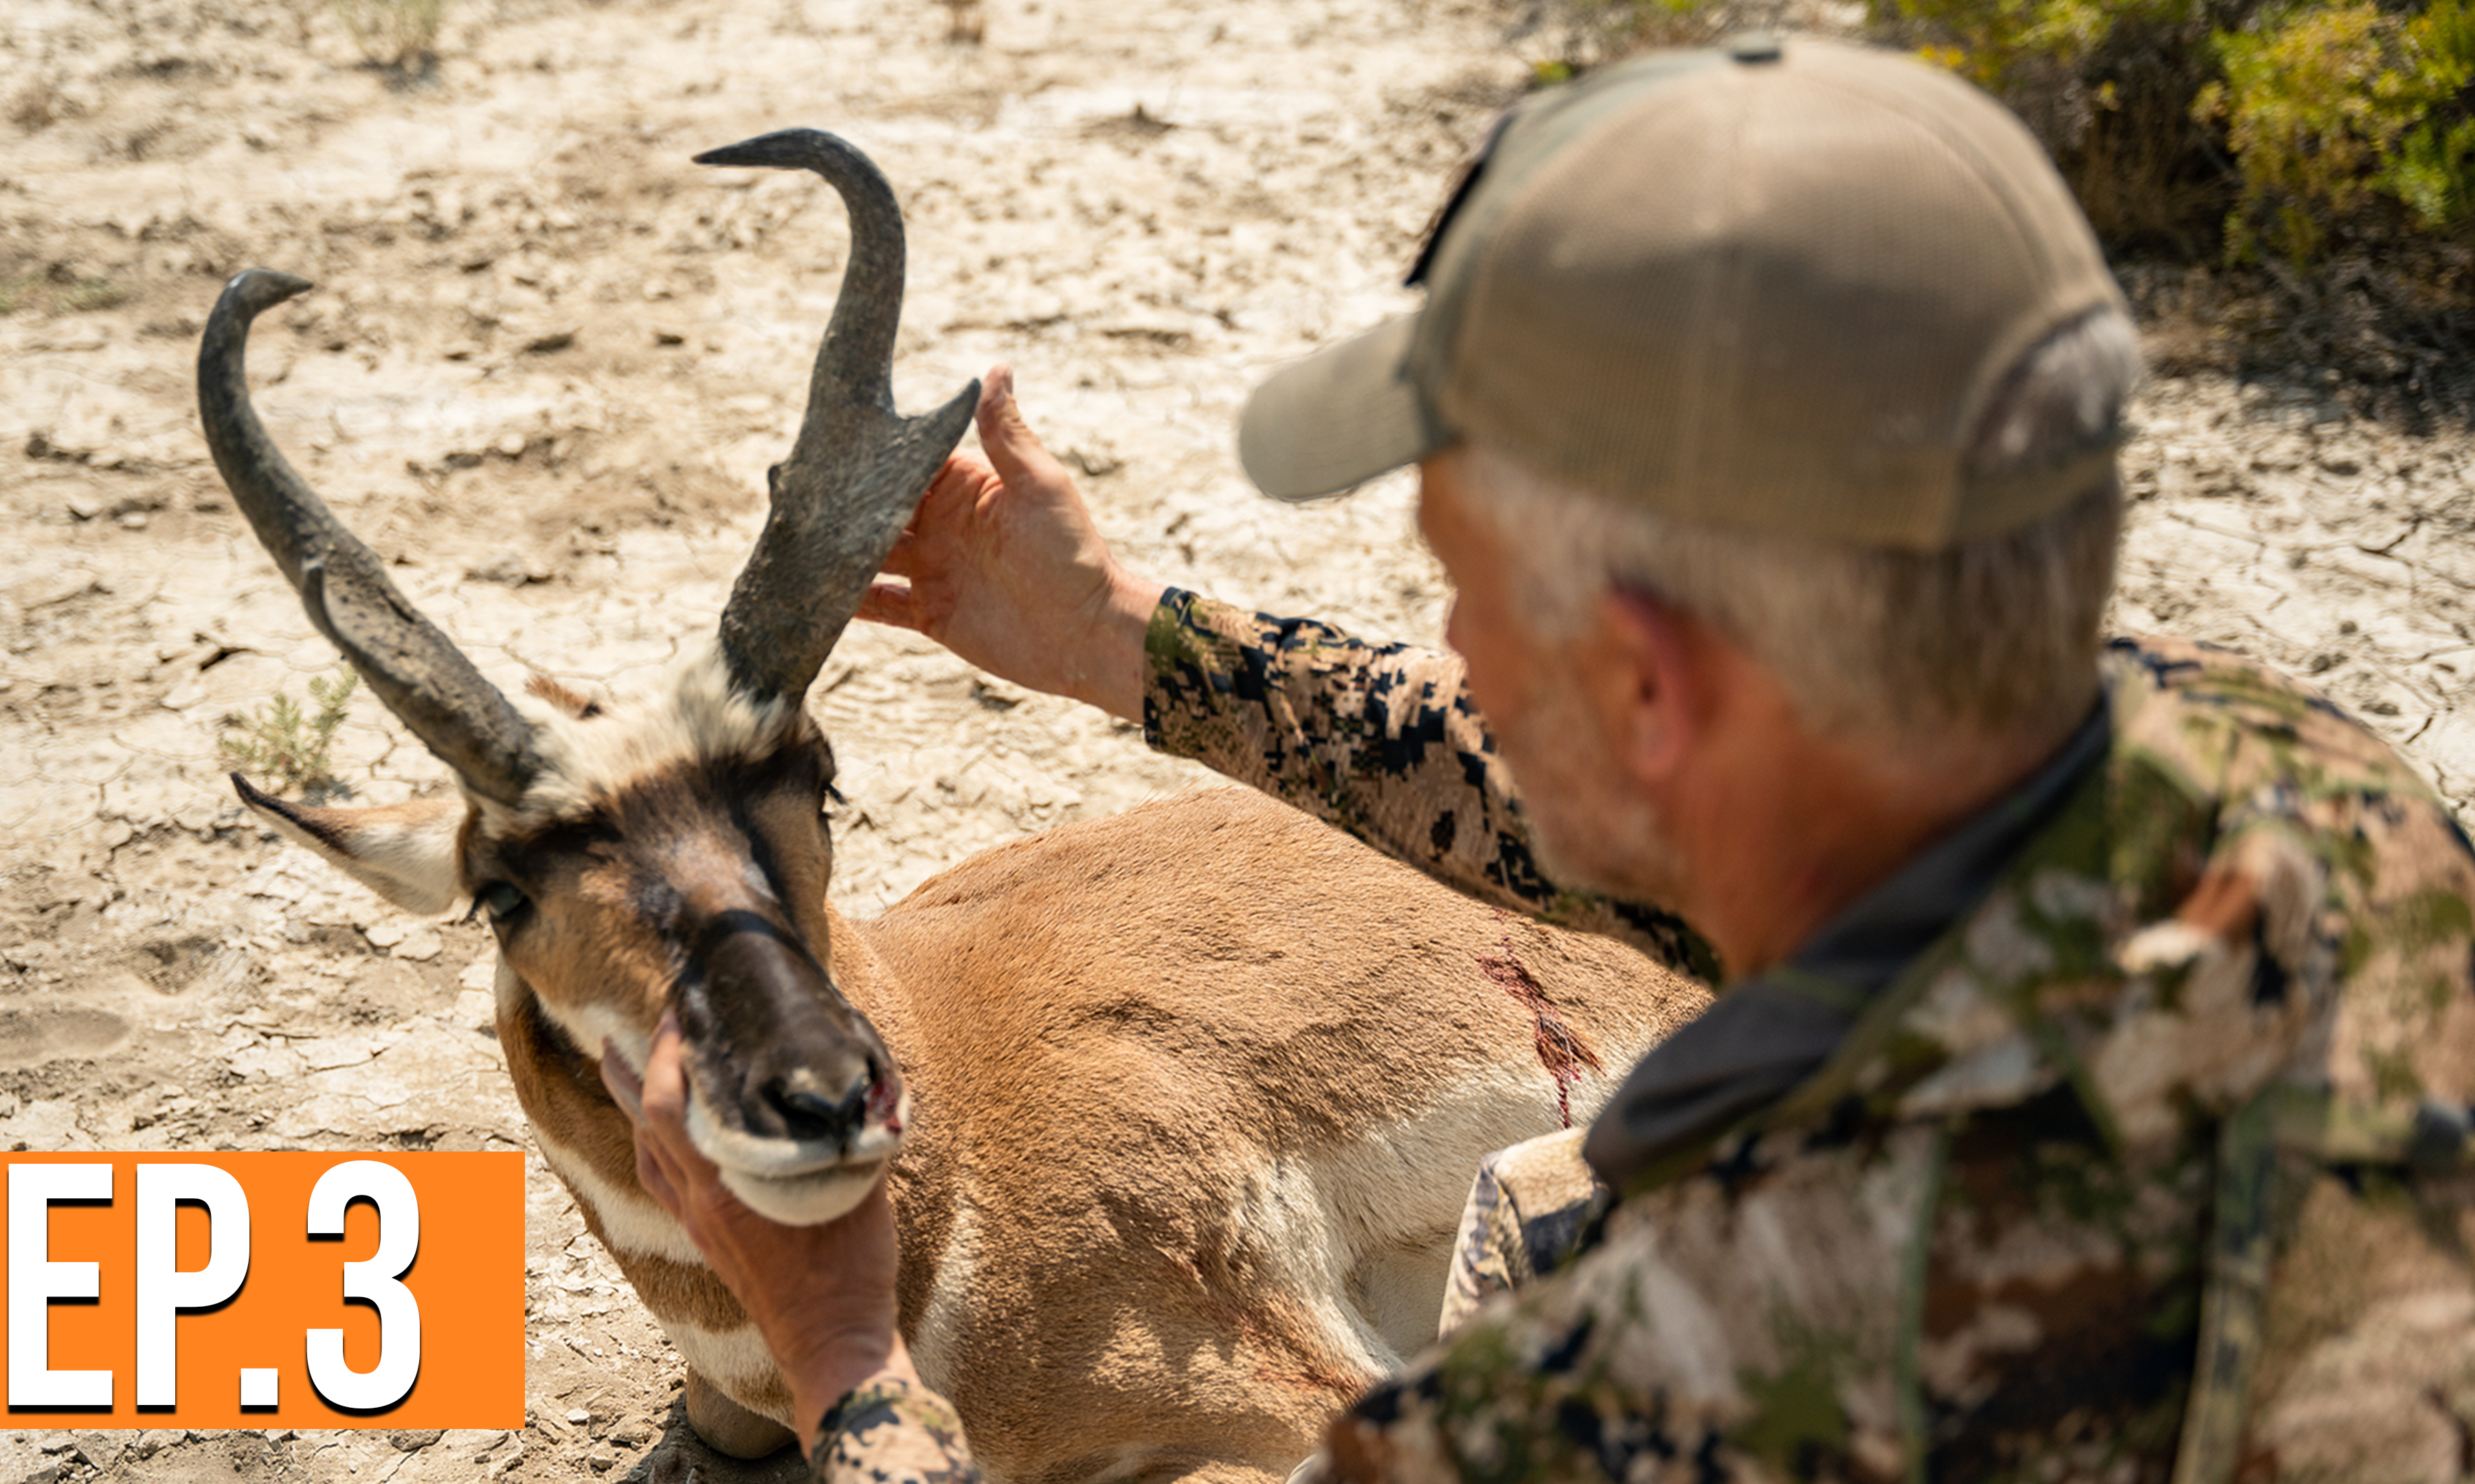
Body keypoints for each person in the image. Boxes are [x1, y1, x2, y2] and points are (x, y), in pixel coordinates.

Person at [601, 34, 2475, 1482]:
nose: (1458, 656)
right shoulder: (2298, 783)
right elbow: (1590, 787)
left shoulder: (1684, 1365)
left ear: (1654, 688)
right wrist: (1133, 646)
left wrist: (848, 1359)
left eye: (1468, 595)